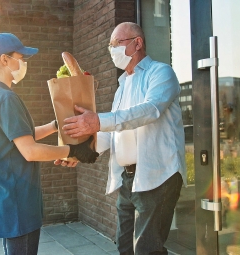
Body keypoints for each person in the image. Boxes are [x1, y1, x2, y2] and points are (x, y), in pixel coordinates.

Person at [0, 33, 98, 255]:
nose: (24, 63)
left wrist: (55, 125)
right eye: (21, 57)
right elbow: (29, 151)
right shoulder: (6, 99)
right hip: (16, 201)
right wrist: (74, 150)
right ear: (4, 60)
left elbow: (20, 137)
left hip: (5, 200)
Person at [62, 22, 187, 255]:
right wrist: (81, 153)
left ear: (137, 43)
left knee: (148, 250)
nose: (111, 50)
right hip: (128, 179)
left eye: (115, 44)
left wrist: (99, 120)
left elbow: (150, 110)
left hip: (158, 176)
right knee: (125, 247)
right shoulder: (122, 86)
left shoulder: (161, 73)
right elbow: (113, 131)